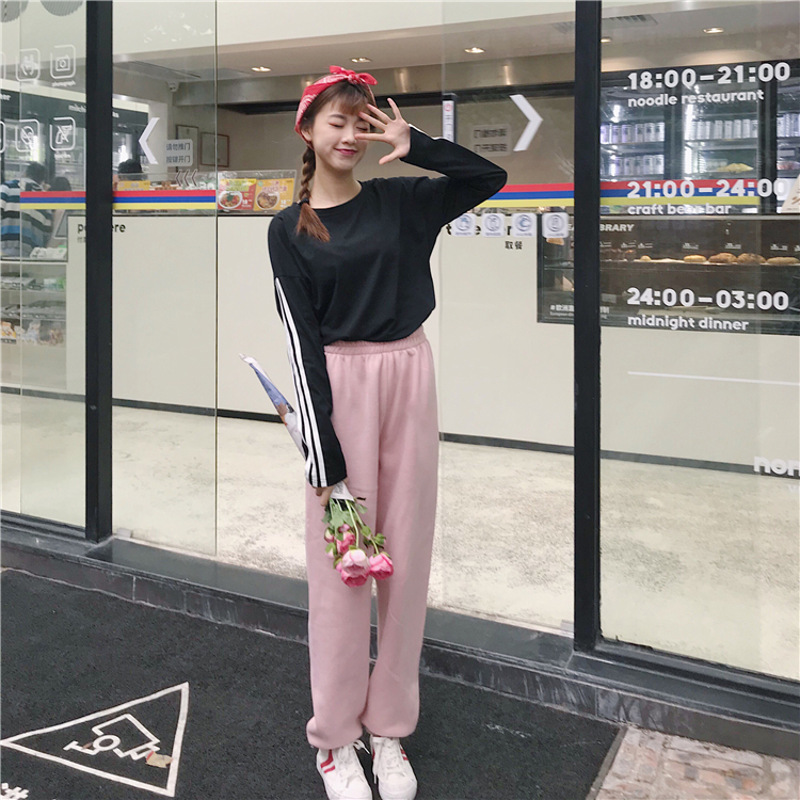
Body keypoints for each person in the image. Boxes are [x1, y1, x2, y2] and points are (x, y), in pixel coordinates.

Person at [267, 66, 506, 800]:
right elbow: (301, 343)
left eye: (359, 122)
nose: (348, 135)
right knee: (343, 569)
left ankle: (389, 730)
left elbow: (488, 177)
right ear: (308, 129)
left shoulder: (402, 201)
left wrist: (417, 143)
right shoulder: (289, 229)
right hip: (339, 391)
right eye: (336, 121)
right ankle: (335, 740)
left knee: (405, 559)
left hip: (409, 376)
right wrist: (323, 453)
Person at [0, 162, 52, 258]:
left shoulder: (8, 187)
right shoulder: (46, 200)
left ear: (25, 173)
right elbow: (47, 233)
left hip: (5, 248)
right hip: (32, 256)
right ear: (42, 181)